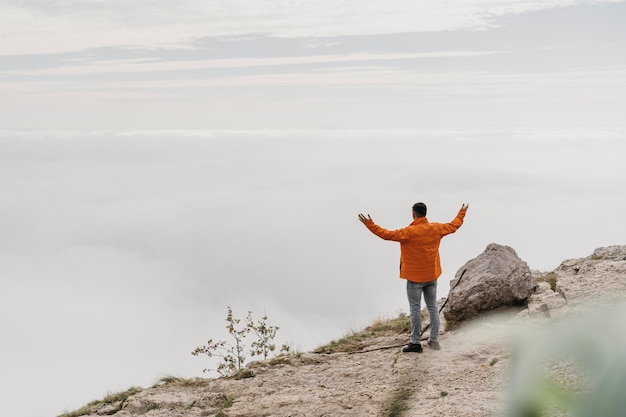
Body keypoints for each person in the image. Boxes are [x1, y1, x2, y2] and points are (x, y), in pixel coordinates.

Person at [358, 202, 468, 353]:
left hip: (415, 278)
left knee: (415, 309)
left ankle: (415, 342)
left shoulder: (408, 232)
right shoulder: (436, 228)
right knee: (433, 307)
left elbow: (386, 234)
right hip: (431, 275)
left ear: (413, 214)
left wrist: (369, 224)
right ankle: (434, 340)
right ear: (425, 214)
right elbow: (454, 225)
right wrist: (462, 212)